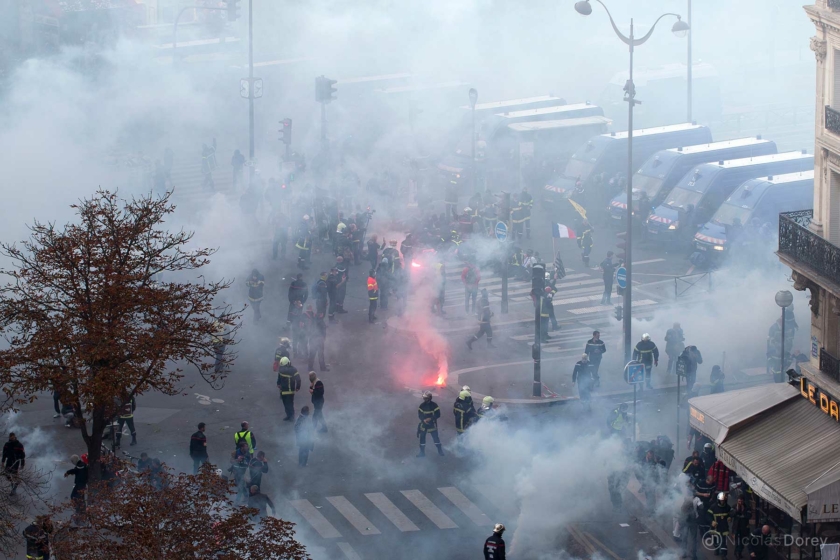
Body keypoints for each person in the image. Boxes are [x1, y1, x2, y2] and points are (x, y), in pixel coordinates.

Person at [416, 391, 444, 457]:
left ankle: (440, 451)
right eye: (424, 398)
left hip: (432, 425)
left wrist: (430, 419)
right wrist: (423, 420)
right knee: (422, 439)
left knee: (436, 439)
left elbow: (438, 414)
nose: (425, 399)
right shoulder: (422, 406)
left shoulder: (434, 405)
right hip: (424, 425)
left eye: (426, 398)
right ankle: (422, 453)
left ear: (429, 398)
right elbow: (420, 415)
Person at [708, 491, 731, 557]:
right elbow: (708, 515)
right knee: (716, 541)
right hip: (715, 527)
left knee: (724, 542)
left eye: (723, 500)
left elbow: (730, 513)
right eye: (721, 500)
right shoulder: (713, 507)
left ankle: (723, 555)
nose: (722, 502)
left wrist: (729, 517)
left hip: (724, 527)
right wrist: (712, 521)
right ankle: (716, 549)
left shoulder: (727, 507)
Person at [731, 495, 752, 560]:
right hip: (736, 527)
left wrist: (743, 510)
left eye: (741, 501)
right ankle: (737, 553)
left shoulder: (747, 507)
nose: (740, 503)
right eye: (739, 501)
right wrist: (736, 510)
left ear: (743, 501)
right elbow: (731, 514)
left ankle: (739, 552)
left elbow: (749, 516)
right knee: (737, 541)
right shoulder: (734, 506)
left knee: (743, 541)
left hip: (744, 527)